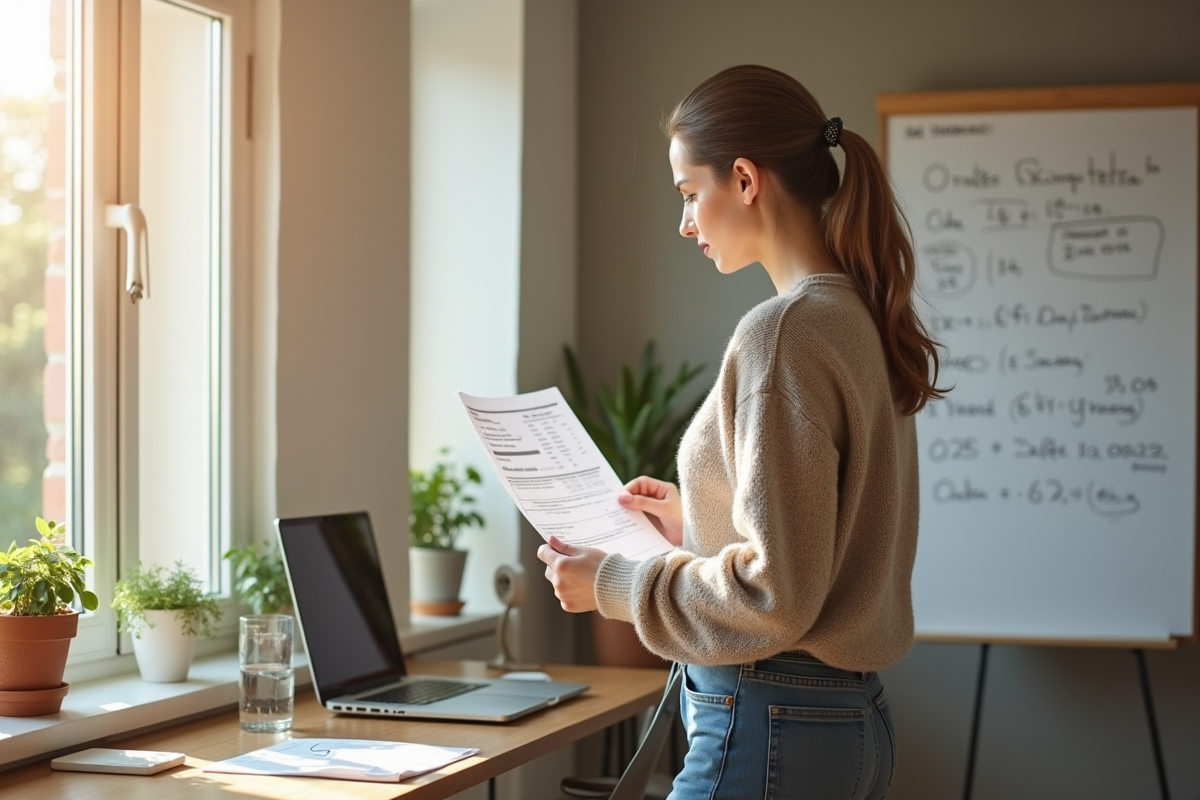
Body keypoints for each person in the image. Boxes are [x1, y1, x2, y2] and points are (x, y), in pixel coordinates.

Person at [537, 64, 945, 800]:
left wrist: (614, 583)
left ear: (747, 180)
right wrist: (696, 520)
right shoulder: (856, 318)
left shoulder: (783, 332)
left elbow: (776, 596)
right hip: (841, 719)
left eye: (691, 194)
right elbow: (826, 538)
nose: (686, 222)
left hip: (772, 722)